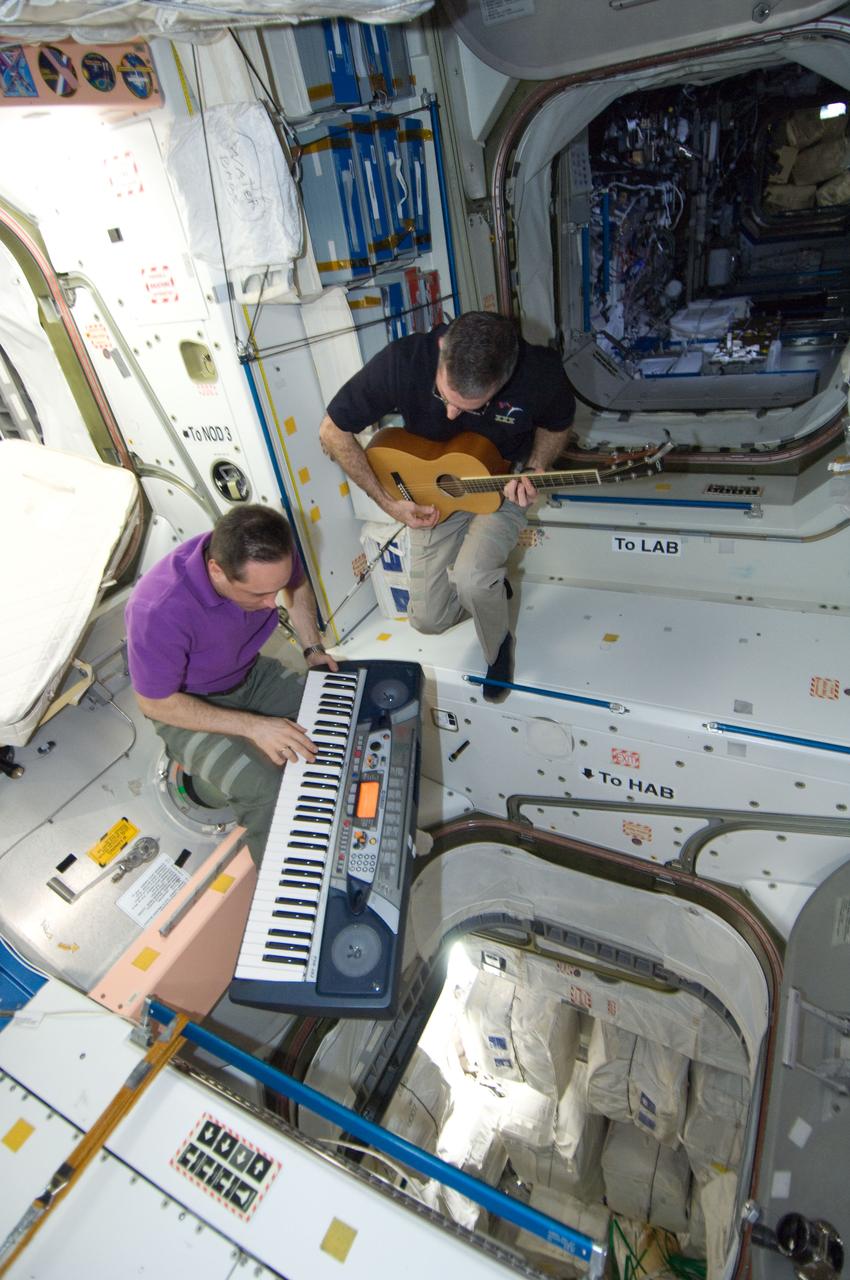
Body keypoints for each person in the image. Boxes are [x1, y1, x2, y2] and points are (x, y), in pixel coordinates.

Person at [319, 311, 575, 701]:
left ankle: (498, 644)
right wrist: (388, 503)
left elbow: (557, 425)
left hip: (501, 484)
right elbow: (332, 431)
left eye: (470, 408)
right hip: (435, 494)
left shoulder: (540, 371)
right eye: (444, 397)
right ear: (442, 348)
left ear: (505, 380)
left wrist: (537, 467)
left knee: (472, 578)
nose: (451, 414)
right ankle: (490, 593)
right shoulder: (405, 360)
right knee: (428, 620)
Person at [125, 504, 336, 864]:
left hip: (248, 675)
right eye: (258, 595)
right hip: (184, 705)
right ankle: (288, 885)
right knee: (266, 791)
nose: (271, 604)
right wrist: (254, 726)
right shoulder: (157, 608)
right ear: (216, 571)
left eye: (275, 590)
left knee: (338, 711)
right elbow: (154, 703)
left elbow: (296, 586)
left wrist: (313, 649)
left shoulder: (268, 553)